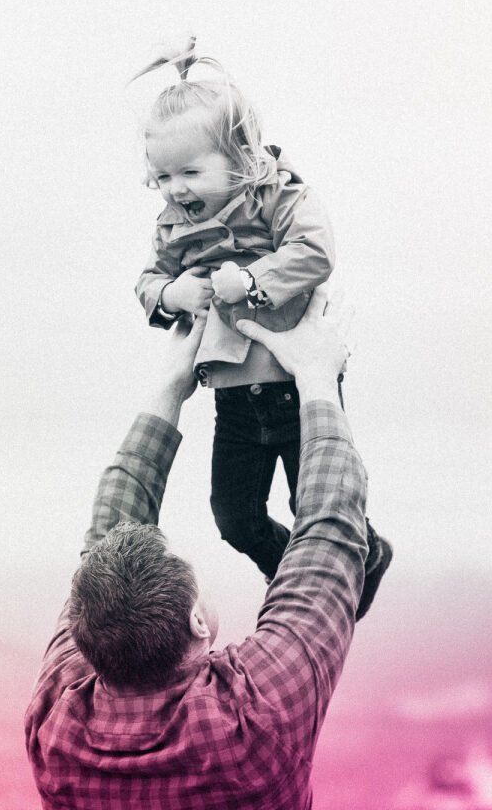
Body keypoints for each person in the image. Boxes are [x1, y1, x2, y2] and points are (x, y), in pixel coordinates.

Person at [25, 290, 372, 809]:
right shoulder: (254, 725)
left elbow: (105, 536)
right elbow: (329, 536)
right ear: (197, 622)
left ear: (83, 632)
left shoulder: (57, 733)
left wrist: (171, 383)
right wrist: (317, 377)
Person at [131, 39, 391, 612]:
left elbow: (315, 251)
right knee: (235, 517)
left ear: (240, 159)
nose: (177, 188)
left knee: (311, 504)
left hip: (299, 384)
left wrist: (250, 281)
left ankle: (356, 559)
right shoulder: (172, 226)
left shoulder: (279, 196)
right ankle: (307, 578)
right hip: (233, 397)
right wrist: (172, 293)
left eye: (191, 172)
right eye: (164, 176)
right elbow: (148, 281)